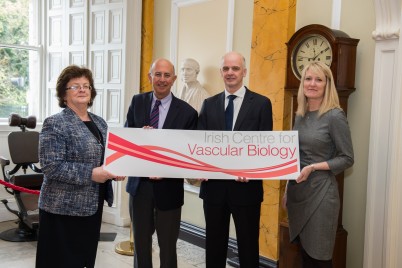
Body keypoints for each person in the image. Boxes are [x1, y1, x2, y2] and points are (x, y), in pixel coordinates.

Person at [36, 65, 125, 268]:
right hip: (62, 210)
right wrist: (92, 174)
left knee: (84, 260)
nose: (82, 89)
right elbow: (51, 166)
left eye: (86, 85)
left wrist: (115, 170)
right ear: (63, 94)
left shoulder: (100, 123)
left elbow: (105, 159)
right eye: (75, 86)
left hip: (92, 206)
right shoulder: (55, 123)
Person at [198, 51, 273, 267]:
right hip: (213, 189)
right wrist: (200, 167)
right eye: (226, 69)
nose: (230, 73)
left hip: (246, 189)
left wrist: (251, 171)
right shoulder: (208, 104)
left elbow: (264, 146)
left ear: (244, 72)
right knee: (214, 248)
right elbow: (201, 144)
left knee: (248, 249)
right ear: (221, 72)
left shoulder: (261, 104)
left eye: (235, 68)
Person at [125, 58, 198, 268]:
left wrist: (165, 170)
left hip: (169, 189)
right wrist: (140, 136)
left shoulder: (187, 113)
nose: (162, 79)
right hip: (140, 187)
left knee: (168, 248)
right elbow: (125, 139)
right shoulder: (137, 102)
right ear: (150, 77)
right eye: (158, 74)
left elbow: (189, 155)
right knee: (141, 245)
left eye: (167, 75)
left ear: (174, 79)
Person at [284, 62, 354, 268]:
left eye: (318, 79)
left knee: (319, 260)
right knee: (305, 256)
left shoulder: (334, 116)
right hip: (298, 194)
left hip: (321, 196)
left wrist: (314, 167)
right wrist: (288, 190)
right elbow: (296, 156)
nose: (312, 83)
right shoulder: (300, 115)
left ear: (327, 84)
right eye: (308, 78)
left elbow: (347, 158)